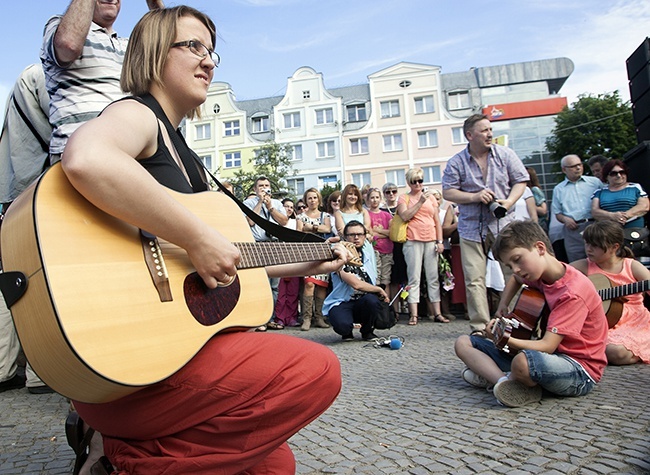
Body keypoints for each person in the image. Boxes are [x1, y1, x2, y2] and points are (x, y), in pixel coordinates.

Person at [61, 7, 347, 473]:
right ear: (154, 54)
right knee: (314, 370)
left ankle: (118, 448)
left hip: (173, 358)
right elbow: (86, 159)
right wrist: (195, 236)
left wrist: (310, 260)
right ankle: (123, 462)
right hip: (133, 369)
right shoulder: (136, 114)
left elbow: (226, 257)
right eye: (193, 46)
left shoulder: (188, 157)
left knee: (276, 467)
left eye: (211, 51)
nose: (209, 61)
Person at [455, 220, 608, 407]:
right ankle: (504, 383)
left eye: (517, 259)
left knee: (523, 362)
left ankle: (499, 376)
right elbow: (515, 279)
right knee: (464, 342)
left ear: (540, 248)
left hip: (578, 369)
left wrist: (503, 338)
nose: (516, 269)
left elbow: (547, 346)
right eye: (510, 265)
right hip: (546, 357)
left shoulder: (572, 291)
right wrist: (502, 306)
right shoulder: (539, 274)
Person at [41, 0, 165, 163]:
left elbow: (173, 54)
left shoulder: (128, 46)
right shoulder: (59, 27)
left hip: (133, 154)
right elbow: (68, 45)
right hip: (81, 150)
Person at [442, 114, 529, 334]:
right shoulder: (456, 162)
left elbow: (521, 180)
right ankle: (480, 327)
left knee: (517, 273)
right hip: (471, 227)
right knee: (474, 279)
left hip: (504, 223)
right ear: (470, 135)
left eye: (490, 129)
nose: (490, 134)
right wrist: (474, 196)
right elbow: (448, 191)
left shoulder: (505, 154)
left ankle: (520, 322)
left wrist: (509, 201)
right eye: (484, 131)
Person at [0, 64, 54, 395]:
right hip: (40, 194)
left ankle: (4, 369)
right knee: (41, 280)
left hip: (13, 198)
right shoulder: (46, 77)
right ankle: (40, 371)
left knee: (11, 281)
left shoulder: (24, 80)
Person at [571, 221, 650, 365]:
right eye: (587, 243)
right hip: (598, 323)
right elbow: (557, 275)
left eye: (595, 246)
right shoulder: (584, 265)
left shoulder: (631, 266)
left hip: (634, 321)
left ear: (615, 247)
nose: (588, 249)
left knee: (615, 351)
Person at [323, 220, 388, 341]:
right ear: (345, 237)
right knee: (342, 326)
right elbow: (355, 283)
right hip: (342, 301)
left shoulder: (369, 256)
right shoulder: (338, 256)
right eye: (352, 235)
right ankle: (346, 332)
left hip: (363, 300)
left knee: (372, 301)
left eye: (360, 234)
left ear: (365, 236)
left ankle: (367, 331)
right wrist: (379, 289)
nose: (356, 238)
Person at [397, 169, 446, 325]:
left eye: (420, 181)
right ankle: (414, 314)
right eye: (414, 181)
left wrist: (440, 241)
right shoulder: (403, 198)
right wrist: (419, 202)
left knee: (433, 278)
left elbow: (437, 221)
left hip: (431, 239)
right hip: (412, 240)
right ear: (409, 183)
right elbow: (405, 216)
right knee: (414, 278)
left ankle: (437, 313)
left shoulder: (431, 198)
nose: (418, 184)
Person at [243, 176, 288, 331]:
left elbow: (284, 221)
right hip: (258, 246)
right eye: (260, 186)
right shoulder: (248, 203)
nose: (264, 188)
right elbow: (250, 221)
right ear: (255, 189)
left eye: (266, 185)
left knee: (275, 285)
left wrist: (270, 207)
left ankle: (269, 318)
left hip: (275, 245)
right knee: (261, 283)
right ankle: (259, 319)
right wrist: (260, 202)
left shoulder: (277, 204)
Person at [552, 154, 603, 262]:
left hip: (595, 225)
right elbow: (557, 213)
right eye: (574, 166)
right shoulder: (559, 189)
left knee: (600, 259)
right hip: (573, 229)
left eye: (580, 164)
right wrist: (565, 219)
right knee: (578, 263)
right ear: (564, 169)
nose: (578, 168)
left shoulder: (595, 182)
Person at [296, 188, 332, 331]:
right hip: (308, 253)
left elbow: (327, 229)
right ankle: (306, 318)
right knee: (309, 284)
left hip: (323, 252)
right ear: (306, 200)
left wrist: (311, 227)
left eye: (315, 198)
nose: (312, 200)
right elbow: (299, 233)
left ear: (319, 200)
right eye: (309, 198)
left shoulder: (325, 215)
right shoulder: (300, 217)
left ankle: (319, 317)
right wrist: (318, 228)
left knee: (322, 285)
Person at [591, 159, 649, 229]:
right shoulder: (599, 192)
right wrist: (612, 216)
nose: (619, 175)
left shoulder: (635, 187)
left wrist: (624, 216)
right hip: (610, 232)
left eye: (622, 172)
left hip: (634, 232)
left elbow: (644, 206)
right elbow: (595, 211)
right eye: (613, 173)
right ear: (606, 176)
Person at [272, 198, 301, 328]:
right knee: (280, 290)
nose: (289, 209)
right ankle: (280, 317)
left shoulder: (296, 222)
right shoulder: (276, 221)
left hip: (293, 258)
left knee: (293, 291)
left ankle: (292, 317)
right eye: (286, 206)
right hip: (279, 258)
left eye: (291, 207)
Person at [382, 182, 408, 315]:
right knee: (392, 279)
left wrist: (383, 231)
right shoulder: (382, 210)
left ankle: (407, 306)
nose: (391, 194)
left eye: (394, 191)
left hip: (403, 244)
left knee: (405, 277)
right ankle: (395, 310)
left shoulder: (403, 207)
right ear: (384, 194)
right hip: (389, 247)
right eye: (388, 192)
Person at [366, 187, 393, 290]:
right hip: (374, 250)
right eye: (372, 197)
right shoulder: (367, 214)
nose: (375, 200)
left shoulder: (387, 215)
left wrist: (379, 231)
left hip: (387, 250)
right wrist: (381, 233)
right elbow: (369, 231)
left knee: (386, 279)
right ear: (368, 200)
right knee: (375, 277)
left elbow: (391, 233)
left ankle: (386, 303)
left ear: (380, 198)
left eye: (377, 197)